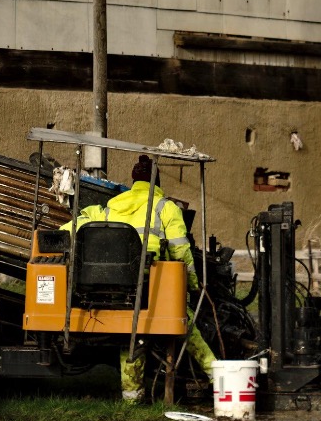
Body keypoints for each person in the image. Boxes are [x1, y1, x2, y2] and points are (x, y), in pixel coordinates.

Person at [69, 154, 219, 402]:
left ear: (133, 180)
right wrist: (193, 286)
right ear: (157, 181)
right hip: (150, 284)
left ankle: (131, 397)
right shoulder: (165, 207)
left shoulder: (111, 206)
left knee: (130, 333)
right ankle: (217, 375)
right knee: (185, 319)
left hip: (112, 285)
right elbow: (181, 252)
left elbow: (75, 226)